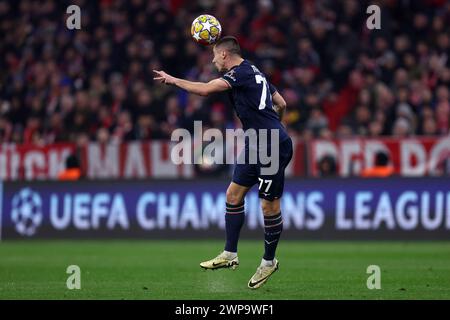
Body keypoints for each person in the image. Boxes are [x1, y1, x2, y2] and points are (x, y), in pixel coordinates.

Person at [154, 36, 292, 289]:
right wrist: (275, 123)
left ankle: (269, 261)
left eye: (215, 56)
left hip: (270, 144)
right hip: (258, 141)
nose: (213, 60)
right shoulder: (255, 71)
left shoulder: (239, 73)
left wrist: (173, 81)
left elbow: (206, 90)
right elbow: (281, 103)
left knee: (269, 207)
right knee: (233, 195)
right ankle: (230, 253)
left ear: (226, 55)